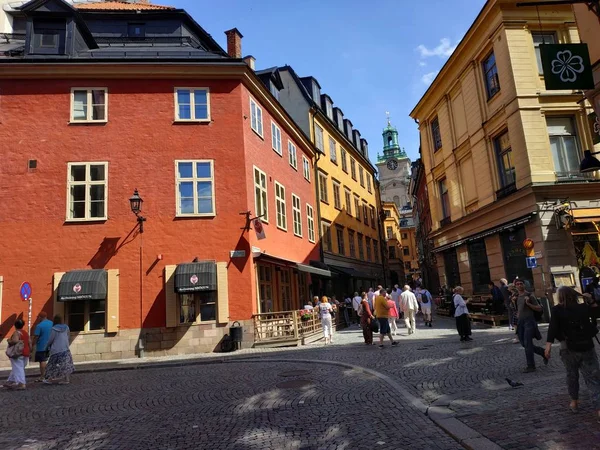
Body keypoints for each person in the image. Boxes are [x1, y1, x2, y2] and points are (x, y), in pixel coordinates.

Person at [545, 286, 600, 422]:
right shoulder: (582, 308)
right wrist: (590, 299)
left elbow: (552, 329)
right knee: (593, 379)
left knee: (572, 375)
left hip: (567, 348)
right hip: (587, 346)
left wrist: (548, 347)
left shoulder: (557, 310)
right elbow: (596, 312)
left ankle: (574, 402)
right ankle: (599, 411)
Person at [514, 279, 547, 373]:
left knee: (528, 343)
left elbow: (539, 308)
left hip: (529, 321)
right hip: (520, 322)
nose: (519, 285)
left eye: (521, 284)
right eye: (517, 284)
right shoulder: (516, 296)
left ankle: (531, 365)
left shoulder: (529, 295)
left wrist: (528, 304)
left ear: (524, 285)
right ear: (515, 286)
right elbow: (517, 309)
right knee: (524, 344)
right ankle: (542, 352)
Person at [43, 315, 75, 385]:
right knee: (65, 365)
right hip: (65, 349)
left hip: (56, 350)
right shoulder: (66, 327)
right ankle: (67, 379)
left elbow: (51, 339)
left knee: (52, 365)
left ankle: (49, 379)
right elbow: (68, 336)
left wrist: (46, 346)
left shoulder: (54, 329)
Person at [4, 319, 31, 390]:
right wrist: (30, 350)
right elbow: (29, 342)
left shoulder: (17, 332)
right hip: (26, 352)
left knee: (18, 368)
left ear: (15, 325)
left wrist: (9, 341)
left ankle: (21, 383)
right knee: (18, 367)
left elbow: (15, 341)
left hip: (18, 353)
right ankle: (10, 381)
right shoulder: (25, 332)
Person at [32, 311, 54, 382]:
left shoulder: (39, 326)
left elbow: (36, 337)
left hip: (41, 346)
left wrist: (32, 345)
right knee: (49, 360)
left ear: (40, 317)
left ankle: (42, 376)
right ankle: (49, 375)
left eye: (38, 317)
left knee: (42, 361)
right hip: (51, 345)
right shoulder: (52, 323)